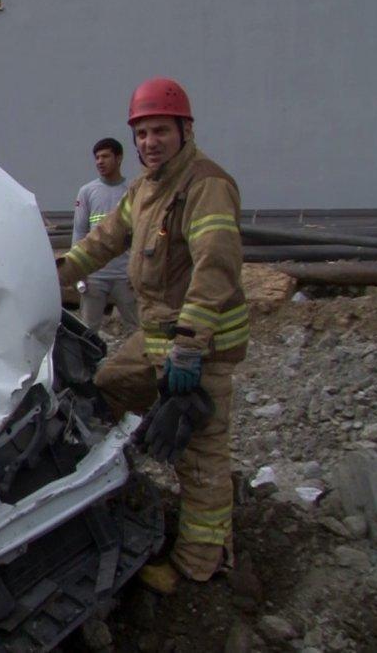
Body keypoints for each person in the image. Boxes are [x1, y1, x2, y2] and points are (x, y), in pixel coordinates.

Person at [56, 77, 247, 594]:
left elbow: (215, 266)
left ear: (185, 130)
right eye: (141, 133)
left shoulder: (205, 185)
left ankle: (200, 563)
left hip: (199, 346)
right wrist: (51, 275)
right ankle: (117, 482)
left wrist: (190, 344)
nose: (150, 142)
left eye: (160, 130)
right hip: (158, 338)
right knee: (106, 386)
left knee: (200, 455)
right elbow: (101, 242)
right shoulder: (143, 190)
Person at [72, 138, 139, 333]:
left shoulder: (133, 192)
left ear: (119, 158)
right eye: (97, 157)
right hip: (95, 276)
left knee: (137, 330)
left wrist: (137, 271)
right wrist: (78, 270)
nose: (100, 162)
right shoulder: (87, 192)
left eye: (105, 156)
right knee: (87, 331)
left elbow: (141, 234)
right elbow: (79, 231)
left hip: (124, 276)